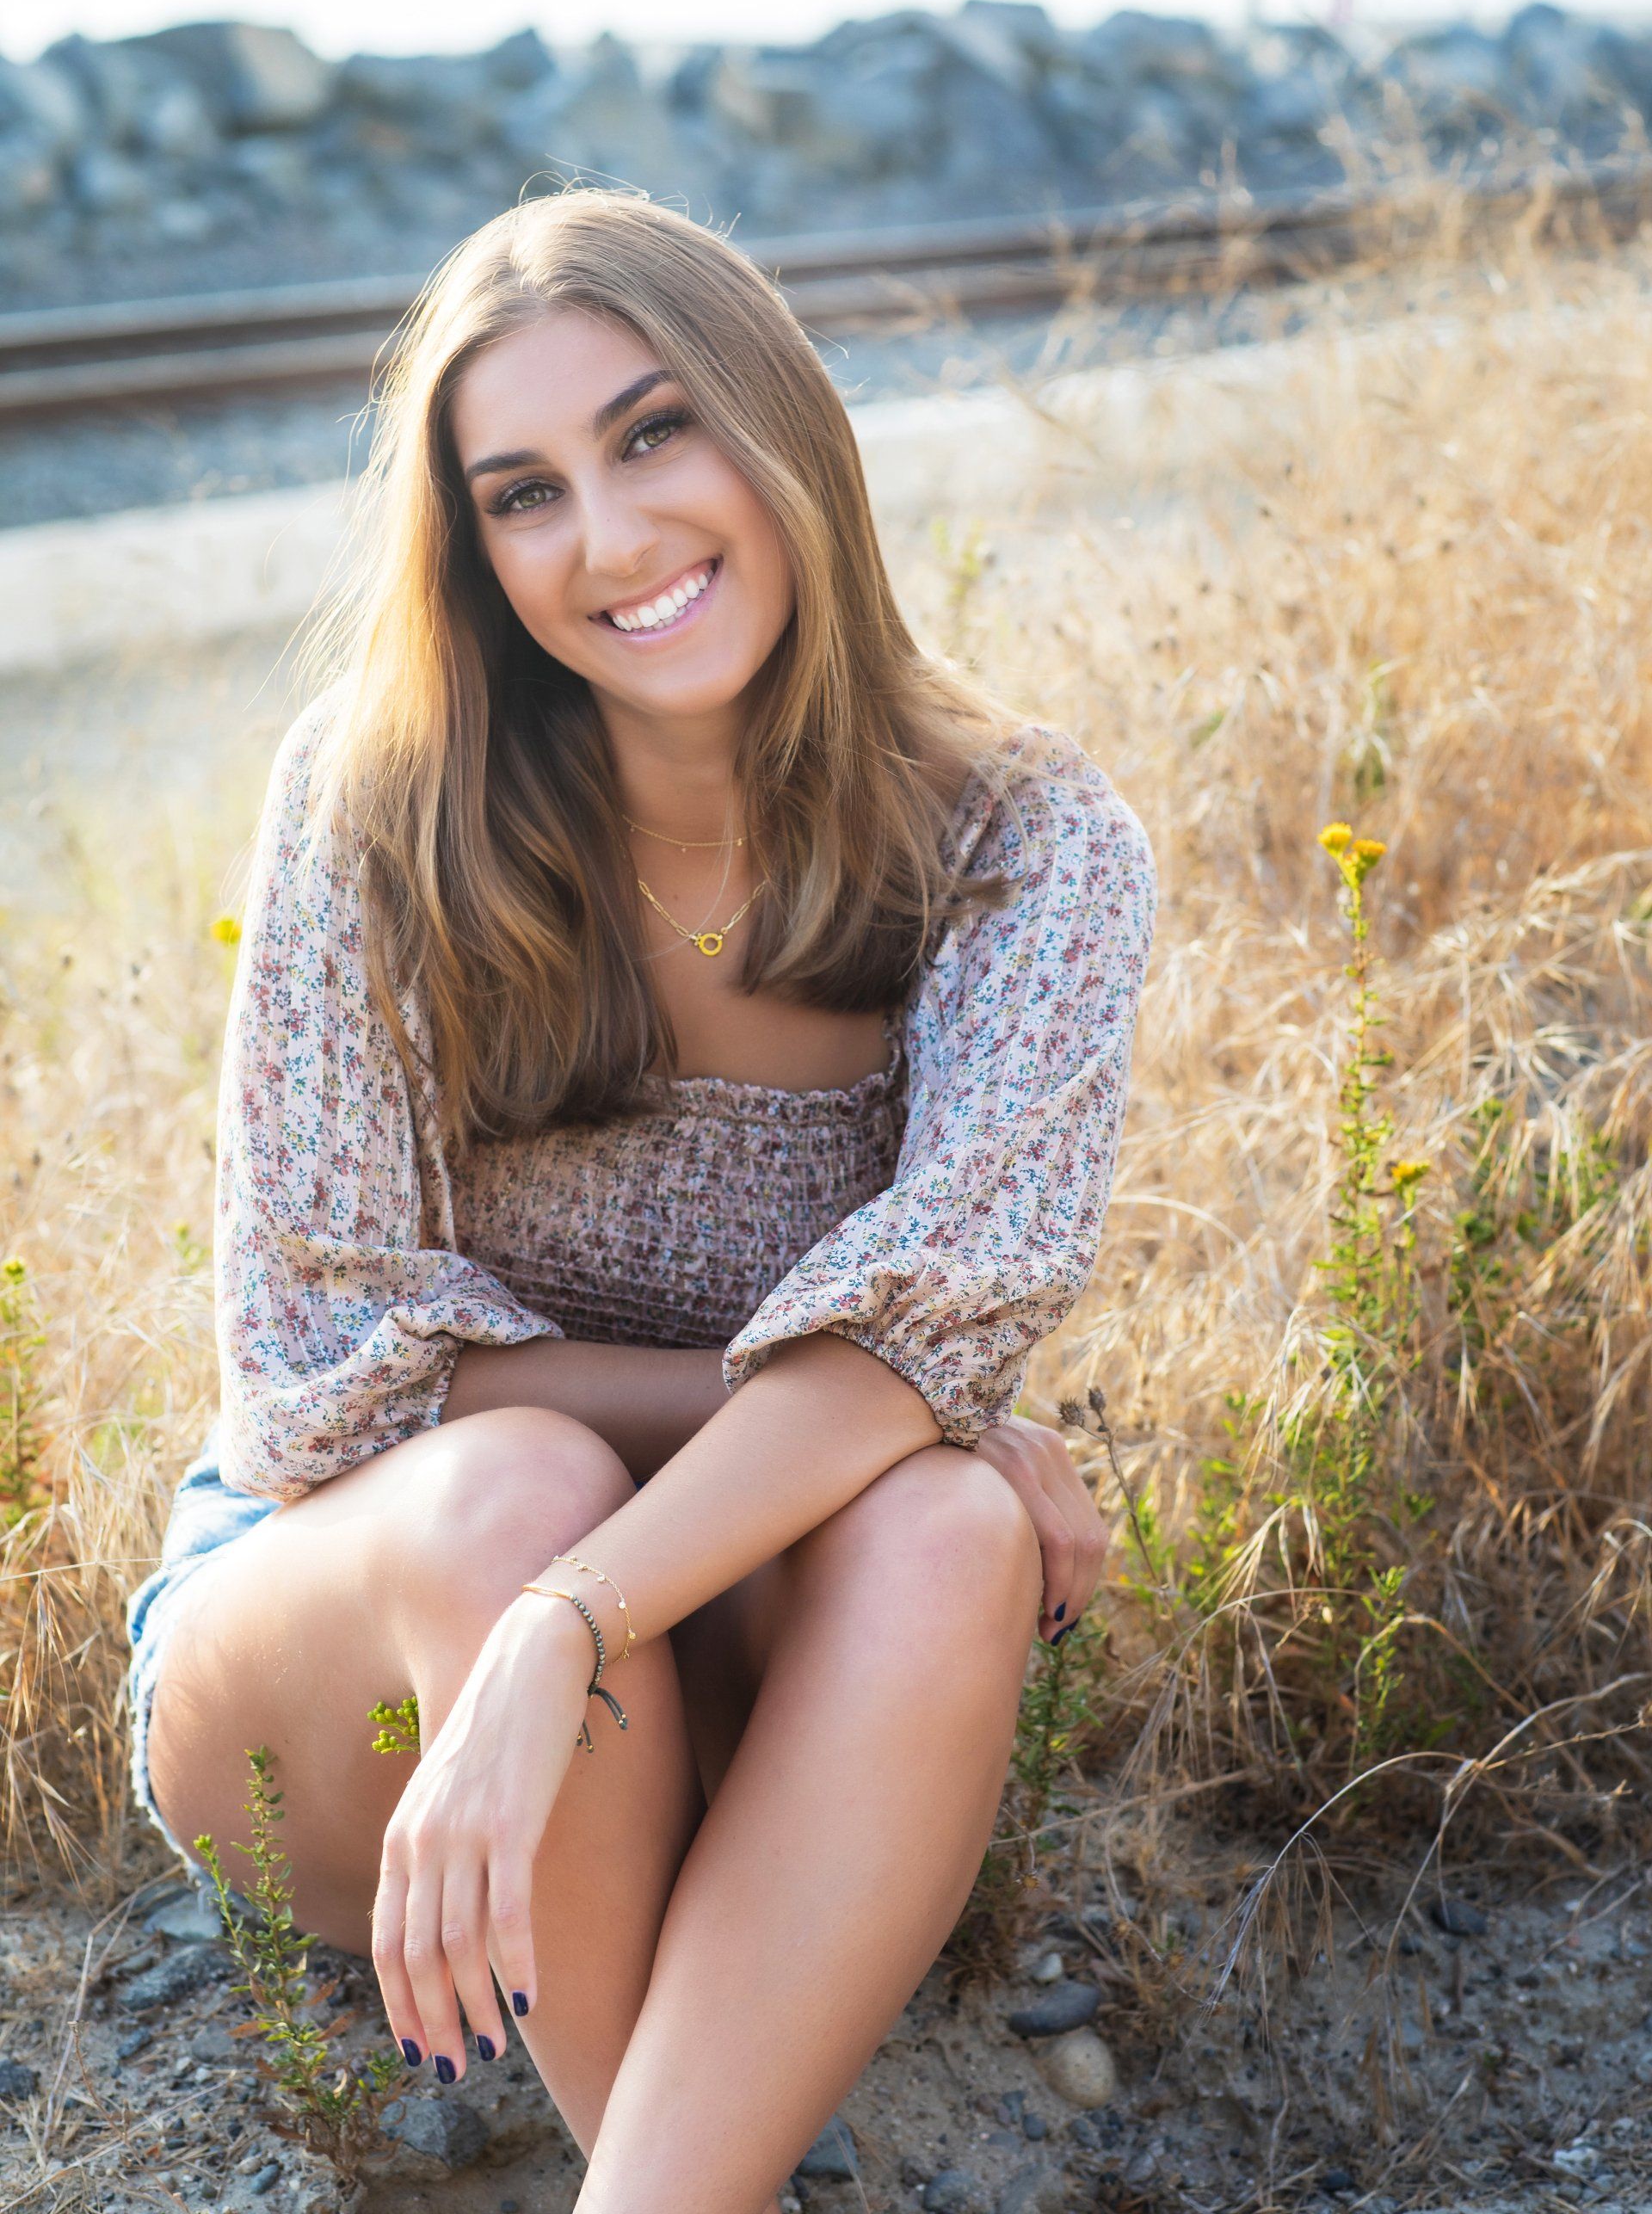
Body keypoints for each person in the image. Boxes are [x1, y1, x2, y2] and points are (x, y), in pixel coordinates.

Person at [126, 189, 1156, 2214]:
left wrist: (596, 1611)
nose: (606, 541)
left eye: (655, 433)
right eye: (522, 494)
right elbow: (326, 1387)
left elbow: (928, 1328)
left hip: (707, 1669)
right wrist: (866, 1403)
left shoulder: (1030, 847)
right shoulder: (378, 805)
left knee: (940, 1529)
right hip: (348, 1675)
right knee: (532, 1487)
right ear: (478, 552)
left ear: (781, 427)